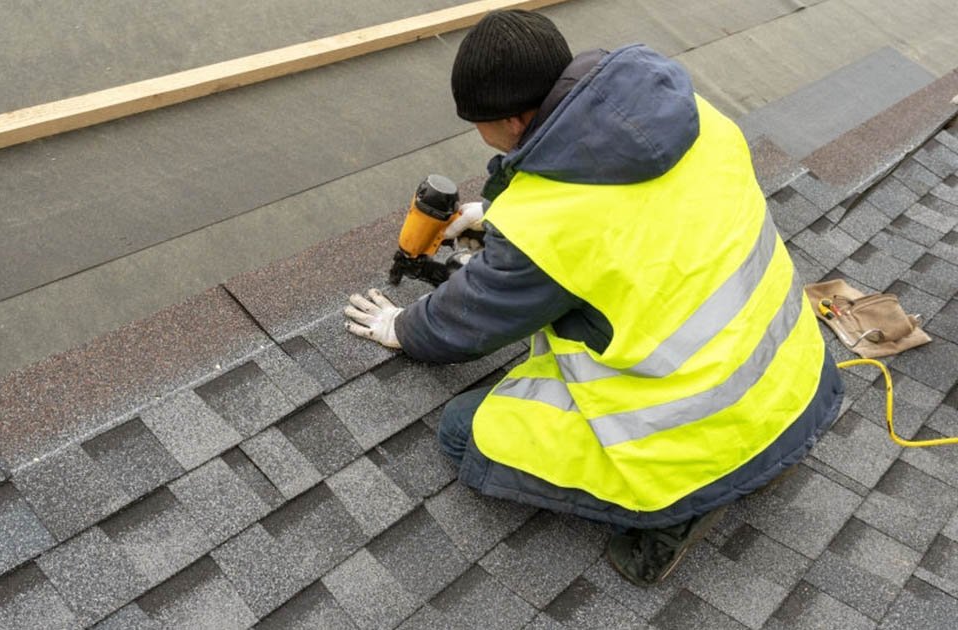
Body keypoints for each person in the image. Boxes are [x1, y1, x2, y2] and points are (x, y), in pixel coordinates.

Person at [343, 9, 844, 586]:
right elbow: (629, 215)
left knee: (463, 432)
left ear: (510, 121)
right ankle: (734, 461)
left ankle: (674, 508)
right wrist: (496, 218)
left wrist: (398, 327)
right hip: (795, 380)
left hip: (702, 432)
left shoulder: (551, 230)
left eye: (478, 124)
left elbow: (464, 325)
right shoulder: (694, 118)